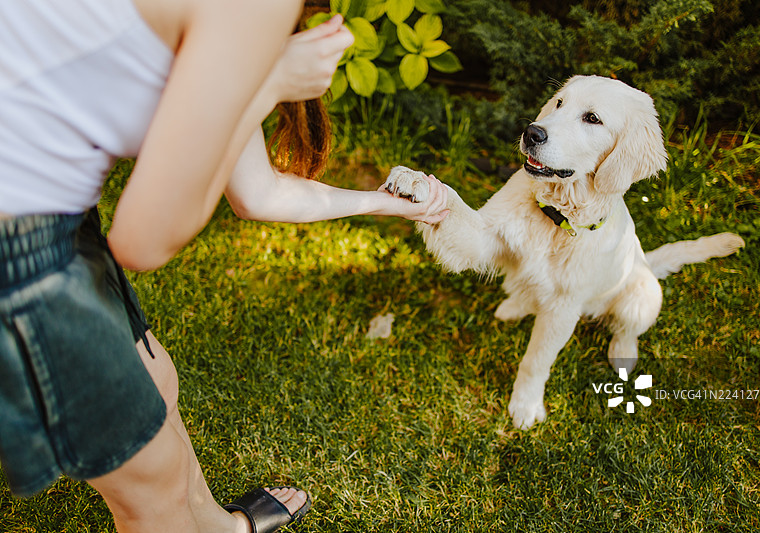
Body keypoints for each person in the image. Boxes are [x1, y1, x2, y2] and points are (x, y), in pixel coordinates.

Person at [0, 1, 449, 532]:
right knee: (153, 491)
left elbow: (258, 192)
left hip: (54, 216)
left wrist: (384, 203)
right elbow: (142, 242)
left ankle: (222, 528)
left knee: (158, 380)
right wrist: (268, 85)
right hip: (16, 248)